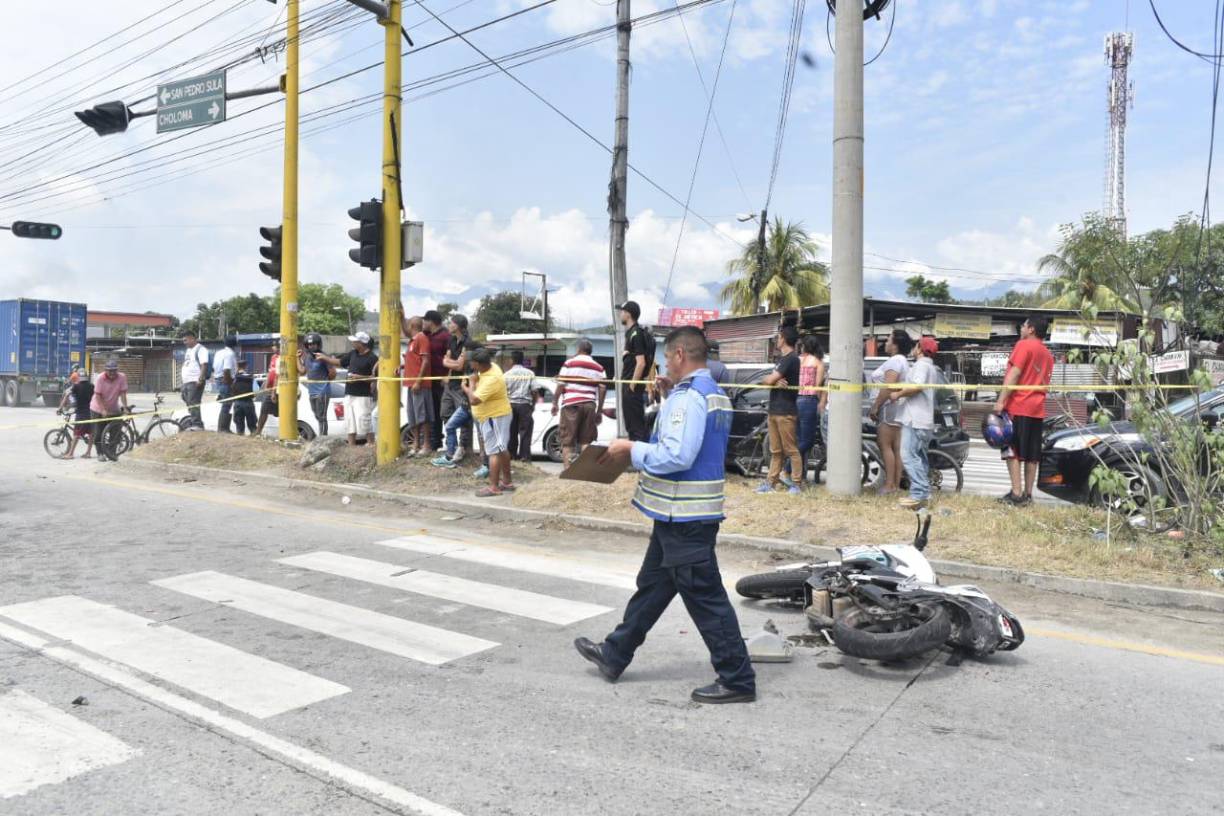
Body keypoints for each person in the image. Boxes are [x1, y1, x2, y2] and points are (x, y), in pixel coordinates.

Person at [573, 326, 756, 705]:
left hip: (683, 517)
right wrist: (670, 396)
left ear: (678, 357)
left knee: (705, 597)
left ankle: (737, 677)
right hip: (681, 515)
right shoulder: (711, 394)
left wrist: (631, 448)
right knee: (653, 586)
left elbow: (677, 455)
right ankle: (615, 652)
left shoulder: (688, 400)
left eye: (666, 358)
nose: (664, 364)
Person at [995, 316, 1054, 506]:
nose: (1021, 328)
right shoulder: (1047, 354)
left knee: (1011, 450)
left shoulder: (1023, 345)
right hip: (1037, 408)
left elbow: (1015, 373)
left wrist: (1001, 400)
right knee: (1031, 455)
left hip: (1018, 405)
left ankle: (1016, 493)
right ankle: (1028, 495)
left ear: (1031, 329)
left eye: (1024, 325)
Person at [888, 336, 939, 510]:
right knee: (919, 457)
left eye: (916, 345)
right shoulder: (931, 367)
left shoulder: (921, 365)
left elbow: (916, 386)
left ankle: (918, 494)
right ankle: (924, 494)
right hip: (923, 420)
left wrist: (898, 394)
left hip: (915, 419)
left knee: (908, 455)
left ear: (920, 348)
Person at [758, 325, 802, 495]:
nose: (776, 340)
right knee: (775, 451)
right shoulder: (781, 360)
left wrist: (771, 380)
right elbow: (766, 380)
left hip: (786, 411)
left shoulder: (792, 359)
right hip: (774, 409)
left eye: (778, 337)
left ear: (783, 338)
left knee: (791, 449)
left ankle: (797, 484)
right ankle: (771, 483)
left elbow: (769, 380)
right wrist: (772, 381)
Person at [464, 347, 514, 496]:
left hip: (495, 417)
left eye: (471, 362)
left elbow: (473, 400)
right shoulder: (492, 367)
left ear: (478, 364)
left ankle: (494, 487)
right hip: (493, 416)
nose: (470, 365)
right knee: (500, 448)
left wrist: (469, 386)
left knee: (494, 452)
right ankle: (507, 482)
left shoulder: (492, 379)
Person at [867, 330, 913, 495]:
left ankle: (889, 484)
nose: (885, 343)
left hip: (889, 408)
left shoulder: (894, 361)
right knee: (895, 447)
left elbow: (888, 387)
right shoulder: (902, 361)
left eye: (887, 340)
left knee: (885, 445)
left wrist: (876, 406)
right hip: (897, 407)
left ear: (895, 344)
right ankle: (895, 484)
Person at [318, 332, 379, 447]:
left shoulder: (372, 358)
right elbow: (340, 362)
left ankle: (371, 443)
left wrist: (359, 378)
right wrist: (324, 358)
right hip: (349, 393)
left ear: (361, 343)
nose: (352, 342)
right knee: (350, 421)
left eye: (355, 341)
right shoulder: (353, 354)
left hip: (363, 395)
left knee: (364, 420)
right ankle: (351, 447)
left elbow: (375, 378)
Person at [553, 338, 606, 465]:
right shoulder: (599, 367)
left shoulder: (569, 364)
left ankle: (568, 470)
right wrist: (599, 410)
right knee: (586, 440)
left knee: (567, 440)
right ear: (590, 351)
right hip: (589, 405)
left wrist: (554, 402)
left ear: (579, 349)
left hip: (571, 405)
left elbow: (561, 384)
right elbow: (603, 388)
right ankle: (584, 472)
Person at [435, 314, 479, 466]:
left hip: (463, 385)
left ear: (458, 326)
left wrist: (450, 363)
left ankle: (462, 447)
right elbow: (445, 360)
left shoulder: (468, 342)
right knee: (445, 413)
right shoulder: (451, 339)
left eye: (452, 322)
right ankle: (450, 448)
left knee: (464, 418)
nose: (449, 324)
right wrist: (450, 366)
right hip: (450, 383)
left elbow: (460, 366)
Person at [619, 301, 655, 442]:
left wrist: (632, 386)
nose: (620, 314)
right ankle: (635, 459)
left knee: (636, 427)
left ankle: (640, 461)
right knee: (631, 426)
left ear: (628, 314)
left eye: (622, 311)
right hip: (628, 386)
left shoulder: (636, 333)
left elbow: (641, 363)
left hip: (632, 389)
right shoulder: (630, 333)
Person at [795, 335, 826, 487]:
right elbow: (818, 386)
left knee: (799, 440)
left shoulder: (798, 361)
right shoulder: (818, 363)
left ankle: (799, 476)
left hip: (796, 400)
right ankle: (787, 468)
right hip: (809, 401)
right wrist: (821, 403)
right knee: (807, 441)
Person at [400, 316, 433, 456]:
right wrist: (402, 366)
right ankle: (416, 444)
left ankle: (426, 445)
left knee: (423, 414)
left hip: (420, 385)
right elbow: (415, 361)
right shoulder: (412, 341)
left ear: (412, 325)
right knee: (413, 415)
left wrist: (419, 381)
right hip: (410, 384)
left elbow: (425, 361)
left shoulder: (421, 338)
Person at [421, 310, 451, 452]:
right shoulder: (427, 335)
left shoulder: (446, 336)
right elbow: (410, 332)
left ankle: (451, 446)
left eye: (424, 321)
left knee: (445, 413)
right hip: (430, 382)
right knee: (433, 414)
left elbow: (452, 357)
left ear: (430, 321)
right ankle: (435, 443)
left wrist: (447, 377)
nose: (423, 324)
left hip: (443, 382)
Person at [90, 357, 130, 462]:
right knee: (98, 433)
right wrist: (103, 410)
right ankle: (100, 453)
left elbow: (123, 393)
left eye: (114, 370)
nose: (112, 373)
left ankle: (111, 453)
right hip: (98, 408)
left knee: (116, 432)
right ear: (105, 370)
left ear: (117, 370)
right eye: (110, 370)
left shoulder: (122, 377)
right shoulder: (100, 378)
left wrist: (125, 407)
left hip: (113, 408)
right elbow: (97, 395)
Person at [505, 350, 535, 462]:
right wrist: (533, 405)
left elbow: (503, 392)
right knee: (525, 432)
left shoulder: (506, 375)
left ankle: (511, 456)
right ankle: (524, 457)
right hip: (525, 405)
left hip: (510, 405)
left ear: (511, 360)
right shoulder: (530, 374)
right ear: (523, 360)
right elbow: (534, 391)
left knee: (511, 432)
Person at [58, 368, 95, 459]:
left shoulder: (76, 386)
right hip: (91, 412)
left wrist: (60, 408)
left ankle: (70, 454)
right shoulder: (91, 386)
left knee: (76, 434)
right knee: (91, 433)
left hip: (81, 413)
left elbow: (67, 395)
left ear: (78, 376)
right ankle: (88, 453)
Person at [304, 332, 333, 437]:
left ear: (318, 344)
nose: (311, 346)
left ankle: (323, 437)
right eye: (309, 345)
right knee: (316, 414)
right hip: (312, 391)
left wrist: (324, 381)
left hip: (323, 391)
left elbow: (332, 373)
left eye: (314, 344)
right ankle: (322, 435)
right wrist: (297, 358)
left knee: (322, 415)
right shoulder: (307, 357)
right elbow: (302, 371)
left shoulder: (324, 356)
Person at [180, 330, 209, 429]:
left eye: (186, 340)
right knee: (186, 399)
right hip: (186, 382)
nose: (184, 343)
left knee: (193, 401)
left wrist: (200, 379)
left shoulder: (201, 349)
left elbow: (204, 364)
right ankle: (194, 420)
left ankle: (197, 424)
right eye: (183, 341)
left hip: (195, 381)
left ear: (192, 338)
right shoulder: (188, 351)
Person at [212, 336, 237, 433]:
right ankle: (223, 428)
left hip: (219, 379)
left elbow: (215, 368)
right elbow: (226, 370)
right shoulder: (230, 354)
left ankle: (223, 427)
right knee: (227, 404)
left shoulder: (219, 352)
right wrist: (231, 384)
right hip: (226, 380)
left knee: (226, 404)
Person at [231, 359, 257, 435]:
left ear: (237, 366)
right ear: (246, 366)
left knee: (239, 426)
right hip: (248, 403)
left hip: (237, 403)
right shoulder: (251, 378)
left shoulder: (234, 378)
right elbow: (256, 391)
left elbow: (231, 389)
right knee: (252, 426)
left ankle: (240, 439)